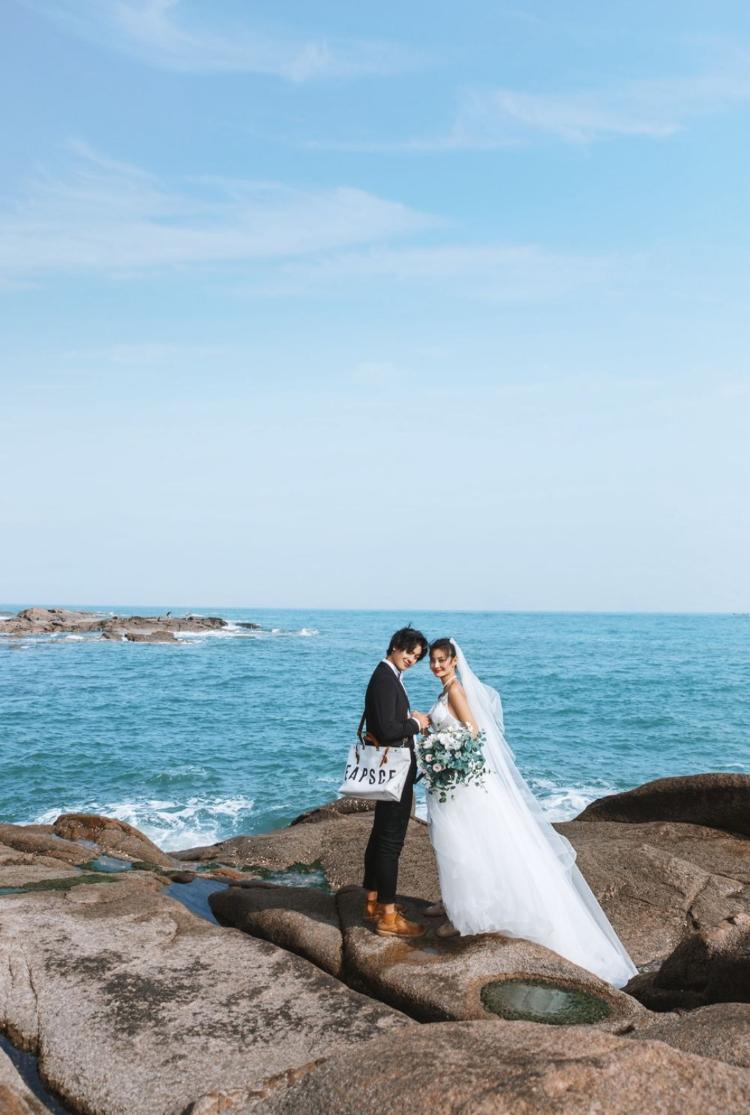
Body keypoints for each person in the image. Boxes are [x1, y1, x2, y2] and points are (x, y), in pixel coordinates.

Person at [423, 637, 637, 988]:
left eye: (442, 661)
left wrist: (444, 752)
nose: (436, 666)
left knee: (466, 844)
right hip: (450, 782)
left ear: (455, 662)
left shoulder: (457, 693)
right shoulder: (444, 694)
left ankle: (466, 914)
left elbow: (474, 736)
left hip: (462, 783)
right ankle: (451, 900)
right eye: (433, 661)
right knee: (450, 841)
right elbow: (453, 729)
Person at [361, 625, 430, 938]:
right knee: (390, 843)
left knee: (380, 837)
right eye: (409, 652)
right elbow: (390, 730)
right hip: (395, 773)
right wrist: (416, 723)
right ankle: (388, 917)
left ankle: (373, 900)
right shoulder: (386, 679)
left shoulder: (386, 676)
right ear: (394, 647)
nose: (412, 659)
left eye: (417, 656)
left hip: (391, 770)